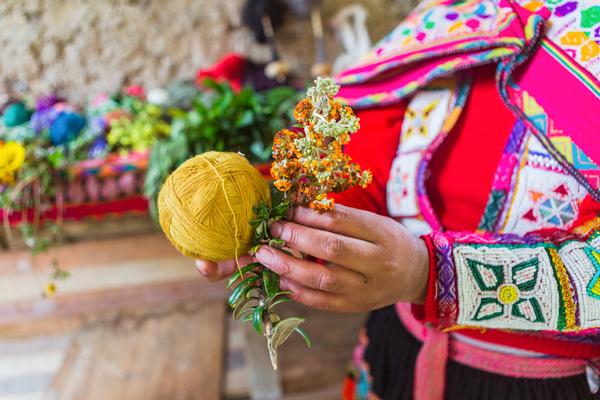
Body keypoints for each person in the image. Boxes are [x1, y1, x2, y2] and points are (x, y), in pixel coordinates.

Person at [196, 0, 600, 398]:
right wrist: (281, 223)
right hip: (397, 355)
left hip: (544, 385)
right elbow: (366, 163)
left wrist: (431, 274)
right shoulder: (457, 13)